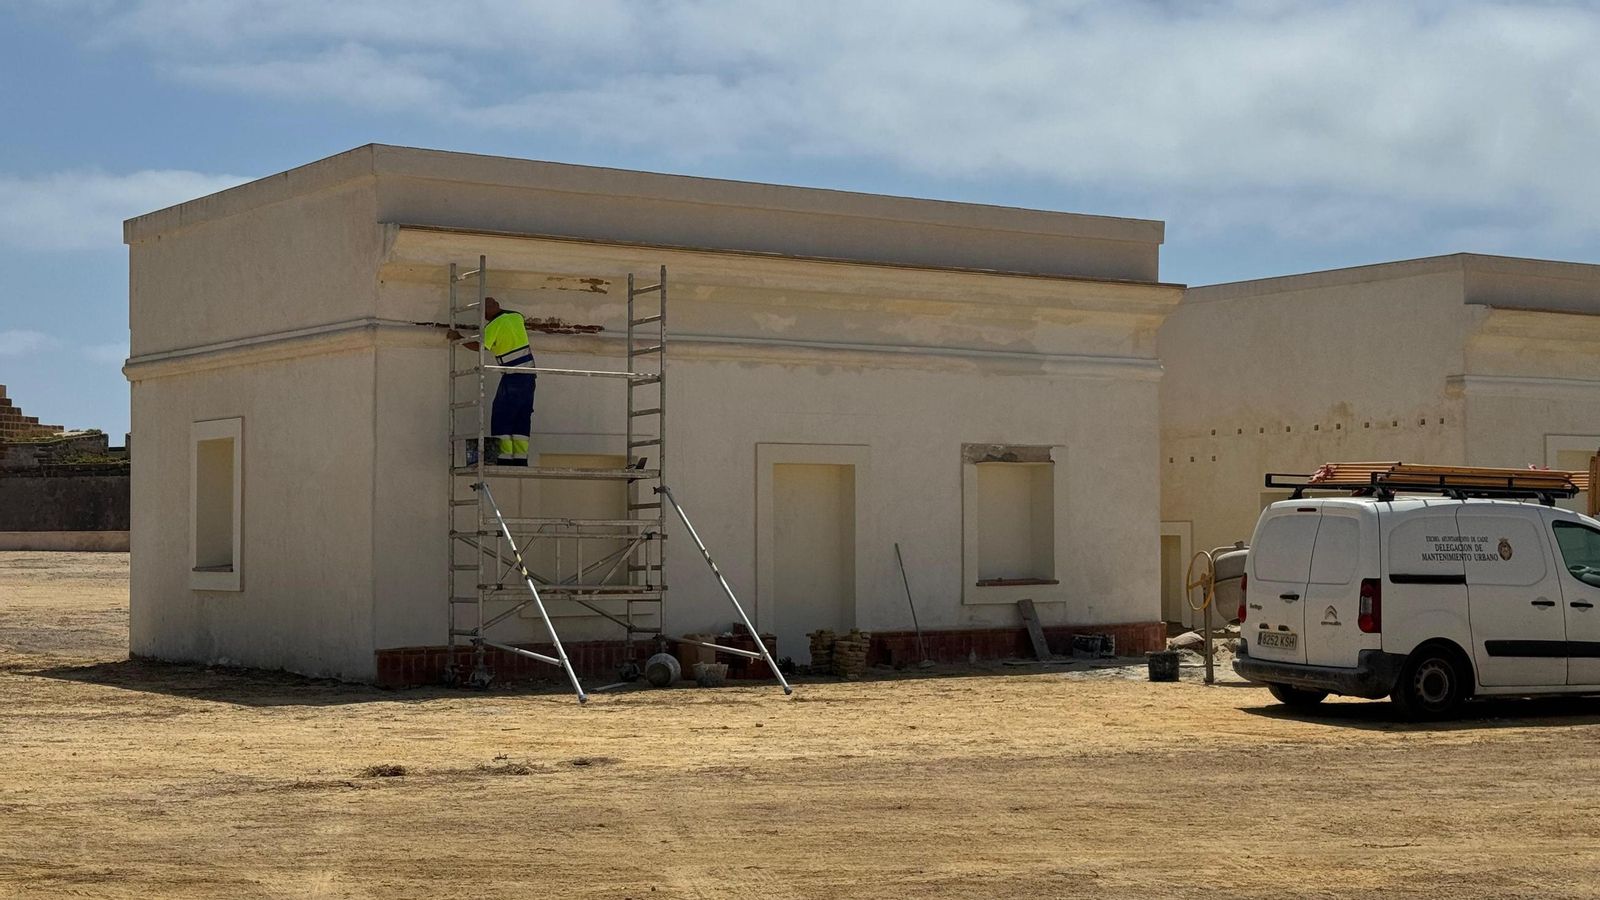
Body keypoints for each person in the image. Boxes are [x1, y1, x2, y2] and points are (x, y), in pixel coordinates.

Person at [447, 297, 535, 466]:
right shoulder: (516, 317)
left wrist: (458, 337)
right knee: (521, 417)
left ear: (487, 312)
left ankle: (504, 458)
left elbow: (479, 346)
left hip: (513, 376)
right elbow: (504, 341)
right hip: (530, 376)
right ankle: (520, 459)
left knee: (502, 415)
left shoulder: (494, 325)